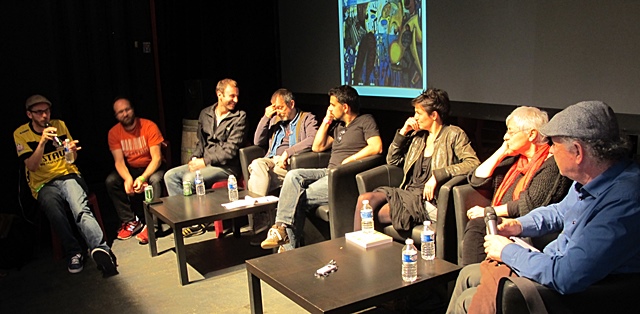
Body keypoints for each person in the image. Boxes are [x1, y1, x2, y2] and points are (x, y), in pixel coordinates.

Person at [446, 101, 640, 314]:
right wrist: (517, 225)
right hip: (553, 266)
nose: (551, 151)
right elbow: (558, 212)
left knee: (469, 300)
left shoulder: (624, 201)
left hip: (577, 295)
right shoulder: (589, 178)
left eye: (554, 145)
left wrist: (507, 250)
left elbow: (567, 275)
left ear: (577, 151)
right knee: (467, 276)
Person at [261, 85, 383, 252]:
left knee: (296, 197)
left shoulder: (365, 121)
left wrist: (351, 159)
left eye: (332, 105)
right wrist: (327, 120)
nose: (329, 108)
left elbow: (376, 146)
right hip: (328, 172)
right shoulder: (338, 126)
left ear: (345, 107)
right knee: (293, 176)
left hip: (341, 178)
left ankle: (287, 246)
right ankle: (282, 228)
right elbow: (318, 147)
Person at [14, 95, 118, 277]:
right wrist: (42, 142)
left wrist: (71, 151)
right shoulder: (21, 134)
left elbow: (71, 159)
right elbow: (31, 165)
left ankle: (101, 250)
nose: (45, 116)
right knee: (54, 210)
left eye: (47, 111)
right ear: (29, 114)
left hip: (68, 175)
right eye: (39, 112)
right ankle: (74, 252)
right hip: (43, 183)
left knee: (80, 209)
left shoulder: (59, 125)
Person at [352, 88, 480, 232]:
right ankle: (357, 250)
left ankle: (365, 252)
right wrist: (403, 133)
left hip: (427, 200)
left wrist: (438, 175)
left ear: (434, 115)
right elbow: (392, 160)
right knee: (365, 200)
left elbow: (473, 163)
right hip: (408, 192)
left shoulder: (454, 134)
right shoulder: (418, 137)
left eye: (418, 113)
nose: (415, 117)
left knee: (375, 215)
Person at [460, 106, 572, 265]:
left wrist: (489, 211)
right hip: (503, 219)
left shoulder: (551, 163)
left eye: (511, 132)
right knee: (479, 225)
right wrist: (501, 152)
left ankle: (474, 275)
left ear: (532, 134)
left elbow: (529, 205)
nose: (505, 136)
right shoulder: (515, 160)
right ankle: (474, 276)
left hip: (527, 227)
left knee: (478, 225)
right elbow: (477, 179)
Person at [164, 78, 246, 237]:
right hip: (205, 163)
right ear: (219, 94)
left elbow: (230, 151)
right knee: (170, 176)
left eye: (237, 96)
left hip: (226, 167)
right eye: (231, 96)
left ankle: (196, 222)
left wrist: (205, 161)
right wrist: (195, 158)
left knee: (189, 178)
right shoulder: (205, 114)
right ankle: (185, 218)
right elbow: (200, 143)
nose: (235, 100)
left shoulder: (239, 117)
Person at [245, 88, 318, 234]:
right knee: (258, 165)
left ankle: (258, 220)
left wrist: (288, 152)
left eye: (281, 107)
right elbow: (257, 141)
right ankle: (262, 217)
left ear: (291, 104)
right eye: (275, 108)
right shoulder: (275, 120)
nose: (278, 112)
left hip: (290, 164)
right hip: (270, 162)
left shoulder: (307, 118)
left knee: (257, 172)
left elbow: (313, 139)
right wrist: (266, 117)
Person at [105, 97, 165, 245]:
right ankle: (130, 221)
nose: (125, 114)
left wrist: (143, 178)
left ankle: (153, 226)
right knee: (111, 181)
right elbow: (119, 161)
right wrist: (128, 178)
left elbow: (156, 158)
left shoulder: (148, 126)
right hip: (131, 168)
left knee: (155, 180)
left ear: (133, 109)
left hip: (151, 167)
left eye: (127, 109)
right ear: (116, 116)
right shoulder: (114, 133)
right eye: (120, 112)